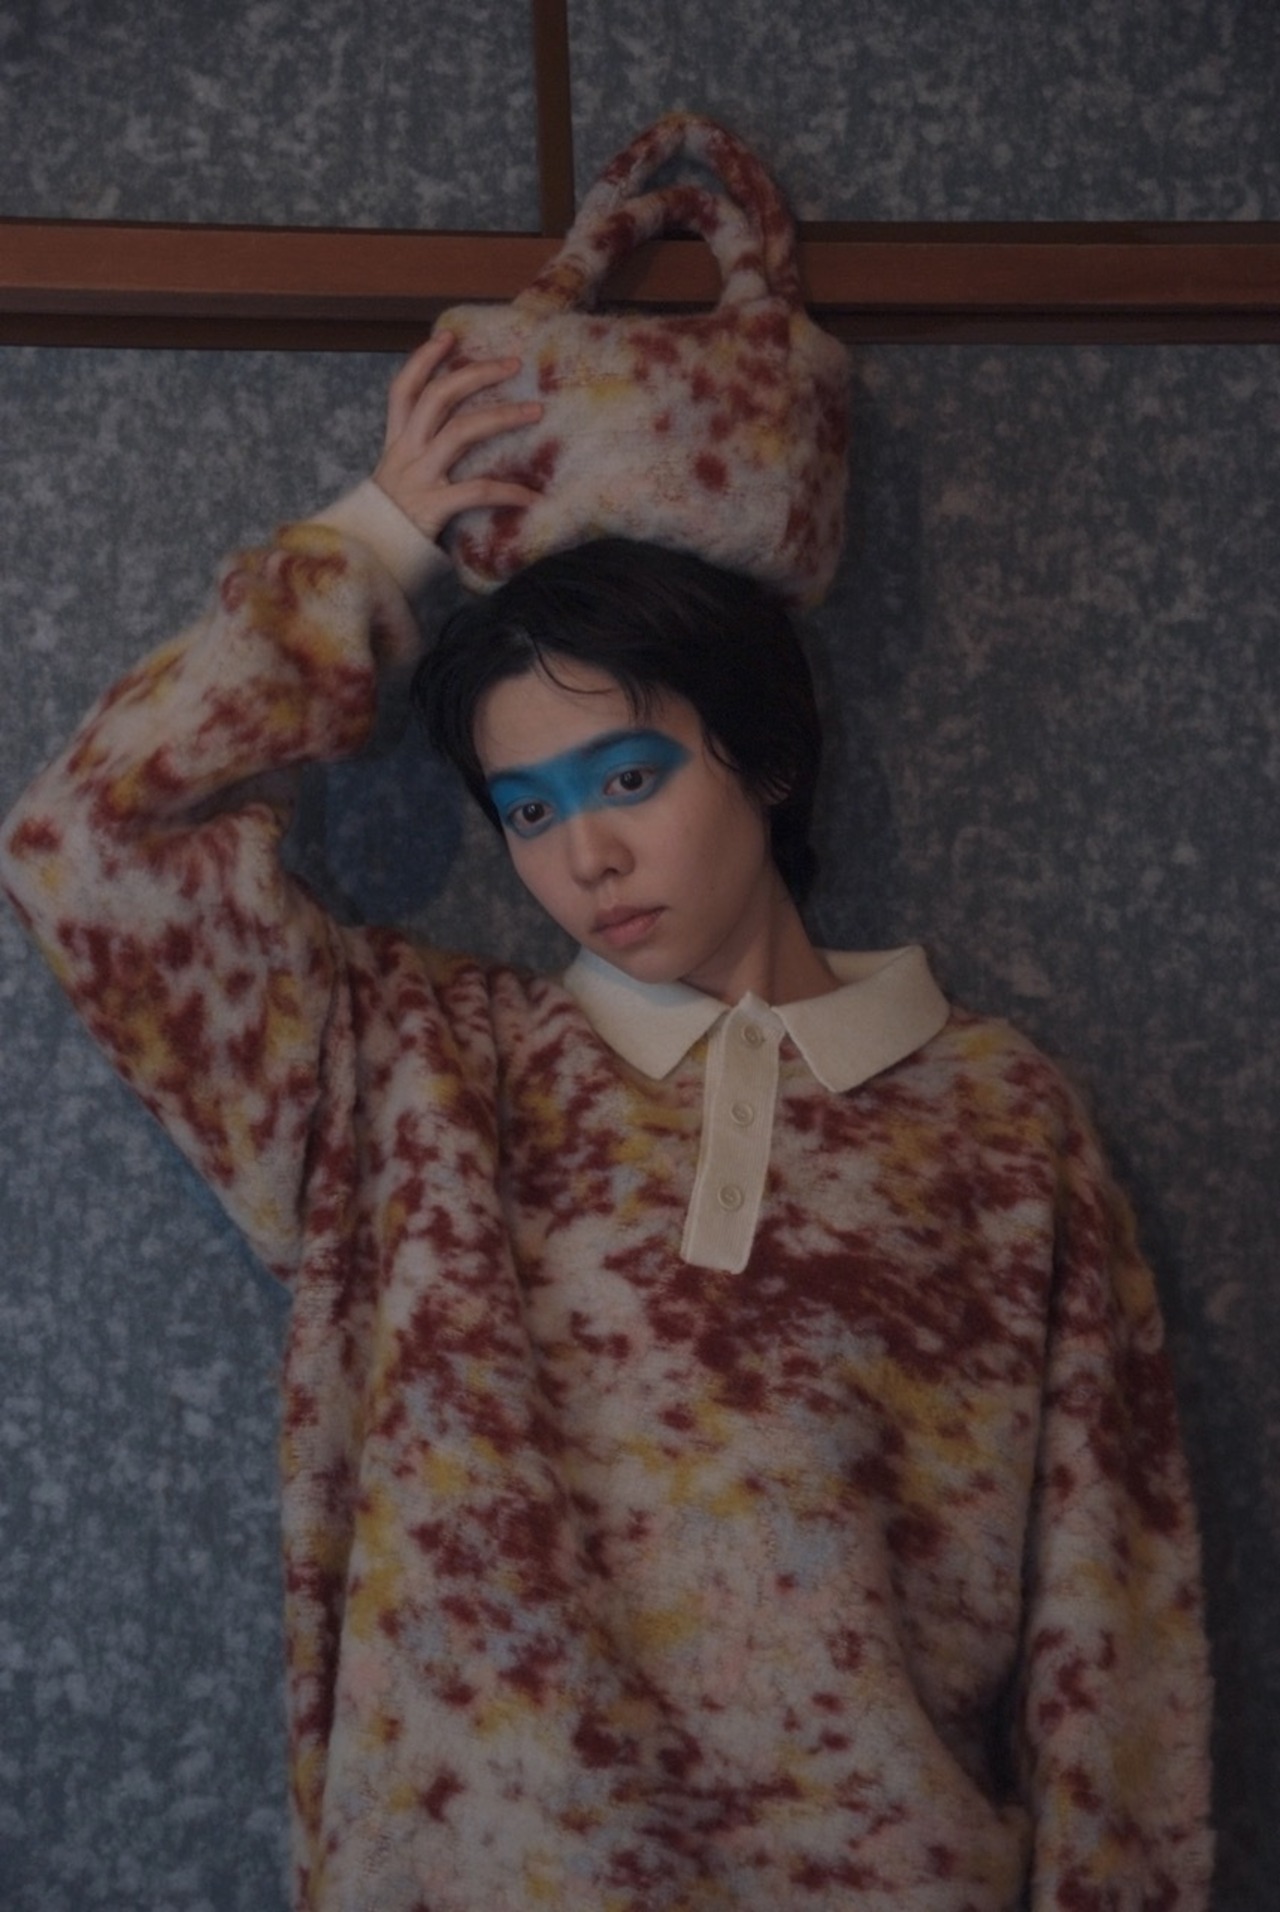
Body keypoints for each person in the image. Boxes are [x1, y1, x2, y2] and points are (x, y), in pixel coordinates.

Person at [0, 335, 1212, 1910]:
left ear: (767, 755)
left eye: (627, 776)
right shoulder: (408, 1077)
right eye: (530, 809)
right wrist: (374, 539)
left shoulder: (998, 1120)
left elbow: (1114, 1641)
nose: (583, 858)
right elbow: (85, 842)